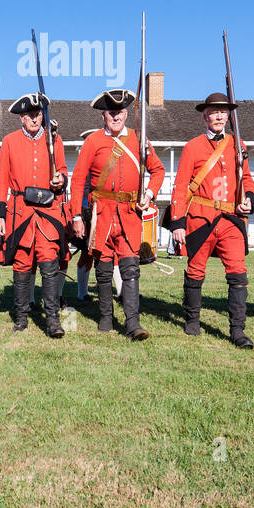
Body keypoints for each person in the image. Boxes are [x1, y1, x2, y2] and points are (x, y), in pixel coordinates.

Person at [69, 89, 165, 340]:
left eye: (120, 112)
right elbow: (78, 180)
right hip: (101, 215)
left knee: (130, 268)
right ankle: (105, 318)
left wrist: (149, 194)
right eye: (111, 113)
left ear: (125, 114)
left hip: (130, 213)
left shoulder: (139, 140)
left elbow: (158, 171)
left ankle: (133, 323)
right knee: (102, 268)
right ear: (104, 115)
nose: (116, 117)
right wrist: (77, 216)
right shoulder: (92, 142)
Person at [168, 93, 254, 348]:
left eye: (223, 112)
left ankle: (237, 330)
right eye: (214, 112)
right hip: (200, 218)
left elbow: (247, 179)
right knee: (195, 271)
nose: (218, 116)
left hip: (231, 219)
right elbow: (181, 185)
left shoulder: (238, 144)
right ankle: (192, 320)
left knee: (238, 273)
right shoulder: (192, 146)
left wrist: (249, 198)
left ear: (229, 116)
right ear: (205, 115)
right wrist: (178, 222)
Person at [0, 92, 70, 336]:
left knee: (50, 265)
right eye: (29, 115)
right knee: (22, 265)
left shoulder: (54, 140)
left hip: (47, 213)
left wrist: (61, 179)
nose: (34, 119)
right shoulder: (9, 141)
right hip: (20, 213)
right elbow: (1, 180)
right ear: (21, 118)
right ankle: (21, 317)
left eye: (38, 114)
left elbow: (63, 171)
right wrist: (0, 214)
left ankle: (53, 321)